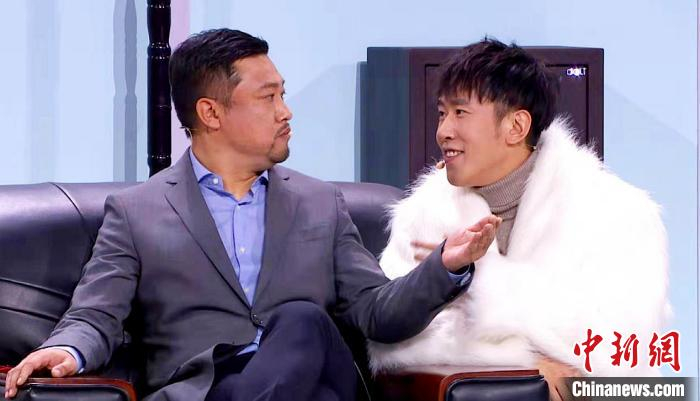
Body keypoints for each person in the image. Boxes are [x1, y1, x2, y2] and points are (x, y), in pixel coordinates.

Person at [4, 29, 501, 401]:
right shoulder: (137, 213)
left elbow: (377, 313)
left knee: (303, 321)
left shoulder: (320, 203)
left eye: (283, 93)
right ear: (211, 114)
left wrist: (445, 266)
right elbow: (95, 314)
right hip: (210, 390)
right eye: (269, 97)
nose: (286, 111)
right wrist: (65, 351)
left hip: (316, 368)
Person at [368, 39, 671, 401]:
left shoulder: (617, 212)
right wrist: (528, 367)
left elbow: (625, 347)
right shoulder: (425, 212)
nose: (443, 131)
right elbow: (389, 340)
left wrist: (486, 290)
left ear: (516, 126)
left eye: (460, 113)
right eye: (441, 114)